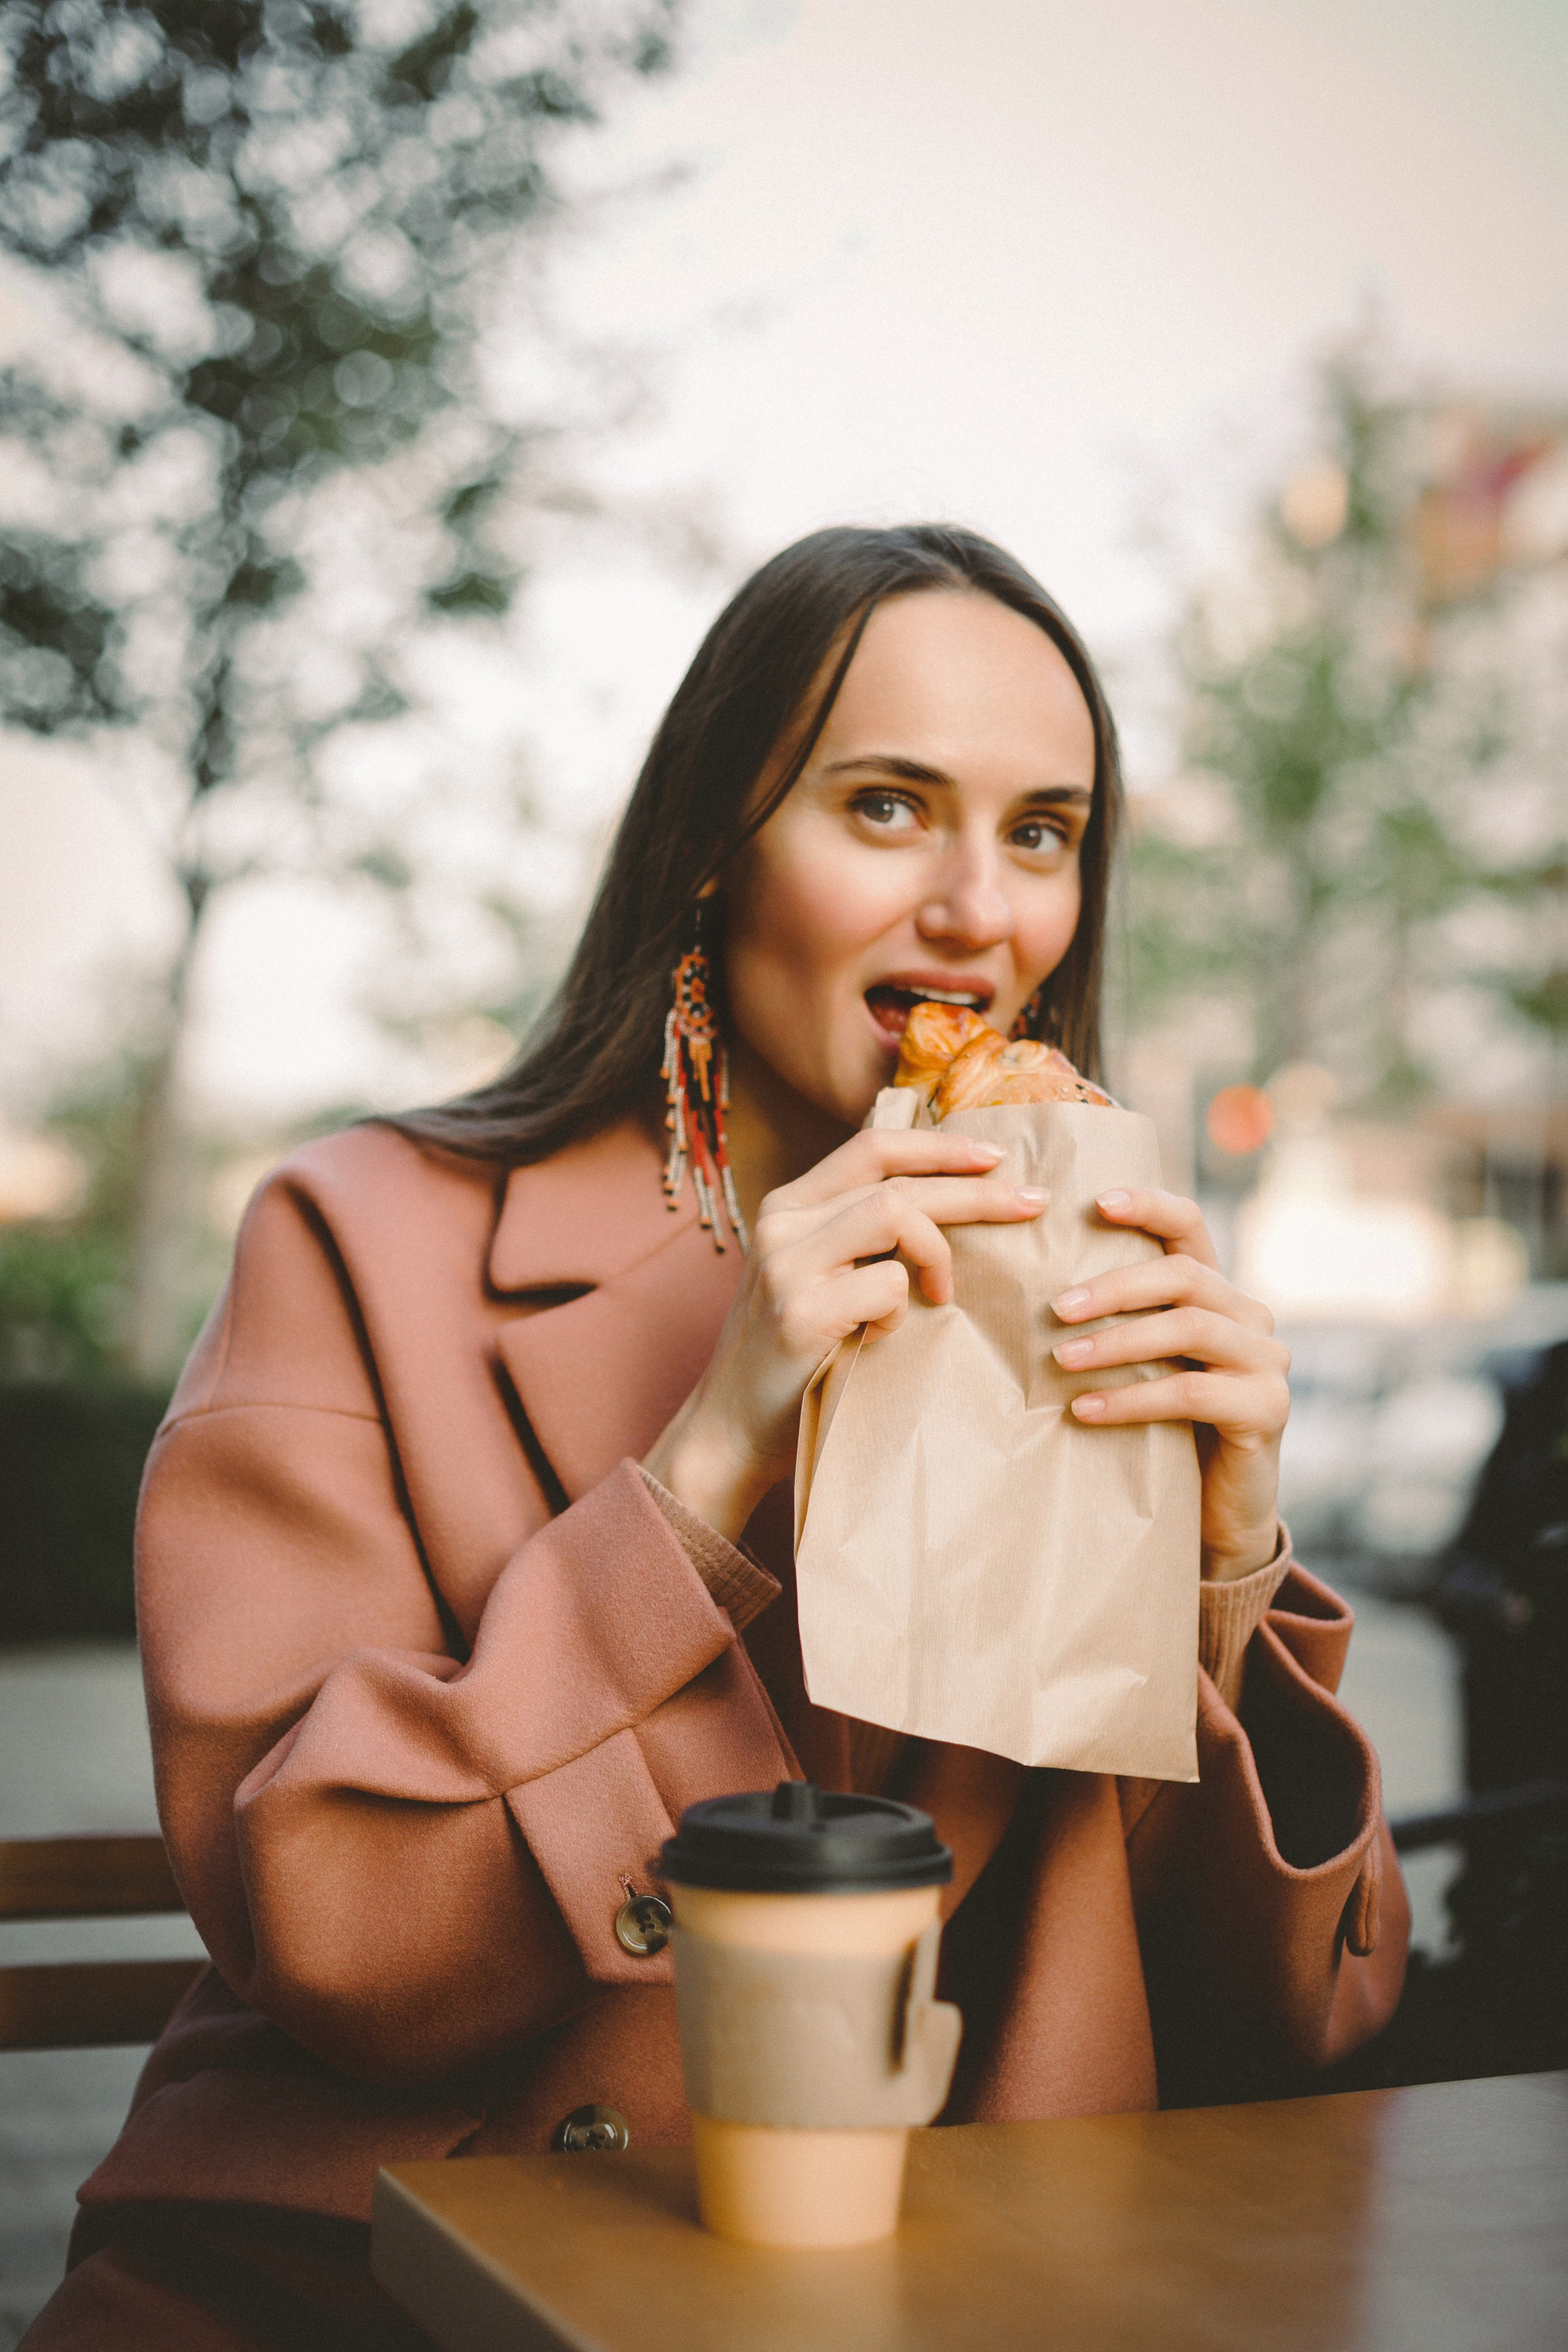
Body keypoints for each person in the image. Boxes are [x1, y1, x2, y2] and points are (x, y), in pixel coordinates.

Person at [26, 524, 1409, 2350]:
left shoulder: (1083, 1274)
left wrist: (1222, 1572)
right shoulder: (357, 1238)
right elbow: (342, 1947)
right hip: (373, 2289)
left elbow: (1296, 2042)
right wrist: (703, 1472)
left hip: (957, 2297)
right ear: (708, 846)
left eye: (1044, 832)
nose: (982, 912)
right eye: (891, 807)